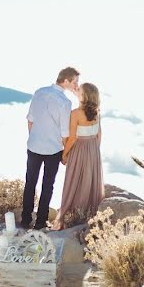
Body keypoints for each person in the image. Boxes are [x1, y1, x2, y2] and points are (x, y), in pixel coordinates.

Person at [22, 66, 80, 230]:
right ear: (66, 81)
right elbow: (64, 132)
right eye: (75, 82)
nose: (76, 86)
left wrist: (34, 137)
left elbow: (30, 120)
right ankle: (40, 222)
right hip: (53, 150)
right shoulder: (65, 102)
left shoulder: (39, 92)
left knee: (30, 182)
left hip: (33, 145)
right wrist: (66, 152)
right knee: (47, 185)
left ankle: (25, 219)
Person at [53, 82, 104, 230]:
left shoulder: (75, 114)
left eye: (79, 91)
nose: (76, 91)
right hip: (93, 149)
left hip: (79, 149)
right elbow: (99, 135)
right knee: (89, 182)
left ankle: (70, 215)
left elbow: (72, 138)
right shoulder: (97, 112)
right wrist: (94, 152)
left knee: (74, 181)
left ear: (84, 96)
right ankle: (88, 214)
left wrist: (64, 154)